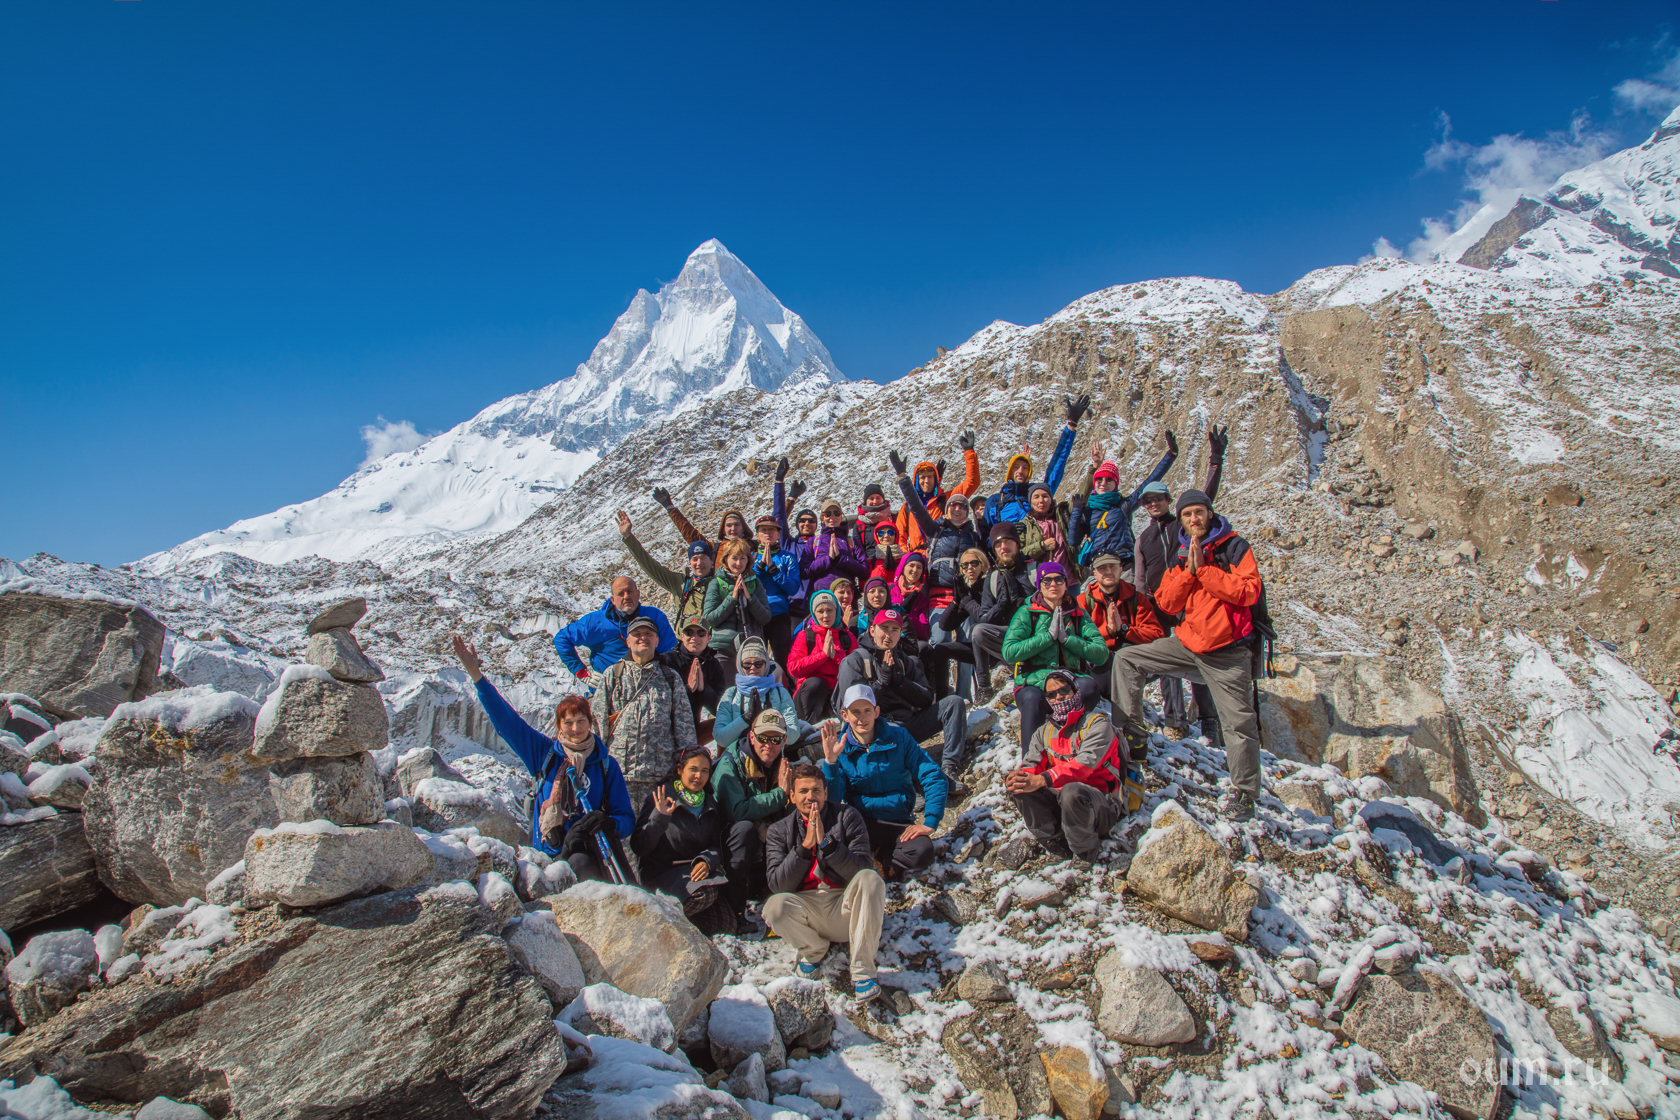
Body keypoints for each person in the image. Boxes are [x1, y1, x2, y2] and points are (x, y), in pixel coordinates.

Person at [1112, 489, 1264, 820]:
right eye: (1187, 514)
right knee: (1127, 659)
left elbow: (1249, 591)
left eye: (1198, 512)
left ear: (1209, 513)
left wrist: (1205, 571)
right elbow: (1167, 602)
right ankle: (1132, 738)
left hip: (1227, 653)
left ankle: (1245, 793)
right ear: (1181, 519)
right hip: (1187, 644)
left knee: (1238, 723)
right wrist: (1189, 571)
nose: (1194, 519)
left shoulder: (1234, 547)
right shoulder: (1183, 553)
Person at [451, 636, 634, 879]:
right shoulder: (545, 754)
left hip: (593, 855)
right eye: (568, 723)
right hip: (550, 856)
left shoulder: (605, 764)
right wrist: (477, 676)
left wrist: (608, 823)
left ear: (591, 723)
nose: (576, 728)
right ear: (559, 727)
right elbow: (508, 723)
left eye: (581, 721)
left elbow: (626, 819)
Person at [1134, 427, 1228, 742]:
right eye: (1148, 501)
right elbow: (1140, 577)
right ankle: (1175, 721)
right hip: (1160, 604)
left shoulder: (1182, 525)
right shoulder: (1144, 538)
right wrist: (1142, 606)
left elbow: (1205, 497)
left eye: (1158, 499)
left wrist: (1216, 460)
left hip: (1191, 600)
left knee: (1200, 655)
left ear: (1168, 501)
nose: (1153, 504)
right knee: (1168, 663)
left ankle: (1209, 720)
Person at [762, 761, 886, 1002]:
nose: (810, 797)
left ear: (826, 793)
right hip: (807, 911)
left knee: (871, 879)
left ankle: (863, 972)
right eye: (803, 791)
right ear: (792, 796)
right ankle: (813, 949)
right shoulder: (779, 830)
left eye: (816, 790)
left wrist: (827, 845)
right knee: (774, 907)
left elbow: (861, 869)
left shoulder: (847, 817)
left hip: (846, 907)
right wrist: (804, 848)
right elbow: (778, 885)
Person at [818, 684, 947, 881]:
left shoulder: (899, 738)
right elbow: (833, 801)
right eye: (855, 712)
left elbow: (932, 775)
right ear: (845, 715)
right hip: (860, 824)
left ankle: (880, 856)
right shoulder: (840, 748)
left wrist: (930, 821)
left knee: (922, 852)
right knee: (829, 851)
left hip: (898, 821)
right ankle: (873, 860)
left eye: (867, 711)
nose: (862, 718)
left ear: (876, 711)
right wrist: (831, 762)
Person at [833, 608, 970, 786]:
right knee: (892, 733)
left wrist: (900, 681)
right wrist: (882, 682)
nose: (888, 635)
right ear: (872, 630)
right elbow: (853, 708)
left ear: (900, 635)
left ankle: (949, 768)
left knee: (954, 703)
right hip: (878, 730)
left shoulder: (903, 661)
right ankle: (912, 781)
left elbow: (927, 698)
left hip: (908, 725)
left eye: (894, 630)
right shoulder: (855, 661)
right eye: (884, 629)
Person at [1003, 669, 1127, 864]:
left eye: (1064, 690)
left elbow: (1084, 765)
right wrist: (1021, 778)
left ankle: (1085, 851)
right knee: (1020, 788)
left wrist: (1044, 778)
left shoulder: (1096, 725)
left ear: (1075, 691)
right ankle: (1056, 843)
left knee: (1072, 791)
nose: (1058, 697)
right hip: (1063, 803)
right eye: (1051, 695)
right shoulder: (1043, 733)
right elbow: (1031, 764)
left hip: (1101, 804)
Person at [591, 614, 700, 812]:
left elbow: (684, 729)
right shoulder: (613, 675)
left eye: (648, 634)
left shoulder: (670, 678)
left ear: (657, 640)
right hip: (619, 776)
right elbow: (598, 725)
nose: (643, 638)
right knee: (620, 828)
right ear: (628, 640)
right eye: (637, 634)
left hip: (659, 778)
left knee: (656, 829)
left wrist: (685, 769)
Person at [1001, 562, 1108, 749]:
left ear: (1066, 584)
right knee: (1032, 699)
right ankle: (1031, 760)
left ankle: (1072, 747)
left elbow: (1101, 654)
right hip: (1033, 681)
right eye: (1047, 580)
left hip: (1072, 678)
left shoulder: (1078, 614)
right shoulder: (1027, 613)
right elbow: (1009, 652)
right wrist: (1047, 637)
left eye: (1059, 579)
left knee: (1088, 687)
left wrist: (1068, 640)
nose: (1053, 584)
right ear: (1040, 585)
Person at [630, 745, 735, 932]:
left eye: (704, 771)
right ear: (680, 770)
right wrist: (659, 818)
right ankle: (654, 925)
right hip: (662, 873)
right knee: (705, 894)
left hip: (694, 873)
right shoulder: (661, 797)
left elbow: (715, 844)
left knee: (726, 924)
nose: (698, 776)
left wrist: (706, 861)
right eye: (693, 769)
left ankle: (683, 927)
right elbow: (639, 846)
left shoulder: (710, 803)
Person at [713, 708, 797, 918]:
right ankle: (735, 912)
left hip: (765, 839)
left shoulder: (782, 764)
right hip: (728, 842)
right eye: (762, 738)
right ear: (751, 736)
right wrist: (780, 795)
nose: (769, 744)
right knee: (745, 829)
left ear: (784, 740)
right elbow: (736, 811)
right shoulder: (731, 763)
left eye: (775, 739)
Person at [1067, 432, 1178, 570]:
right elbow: (1073, 541)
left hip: (1125, 564)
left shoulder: (1124, 504)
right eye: (1099, 479)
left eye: (1109, 480)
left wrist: (1170, 455)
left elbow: (1150, 481)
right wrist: (1077, 511)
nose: (1103, 483)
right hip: (1099, 565)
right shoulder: (1088, 510)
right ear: (1094, 483)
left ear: (1116, 484)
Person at [984, 394, 1090, 526]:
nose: (1020, 471)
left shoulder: (1037, 496)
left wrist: (1071, 426)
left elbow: (1056, 466)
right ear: (1010, 471)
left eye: (1025, 468)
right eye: (1016, 467)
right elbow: (986, 534)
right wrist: (1007, 533)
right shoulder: (994, 502)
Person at [553, 575, 678, 683]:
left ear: (638, 594)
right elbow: (562, 638)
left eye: (630, 591)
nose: (626, 596)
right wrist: (582, 673)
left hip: (651, 686)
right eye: (620, 594)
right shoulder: (595, 622)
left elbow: (670, 651)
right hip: (609, 690)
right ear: (612, 599)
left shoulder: (655, 616)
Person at [1076, 553, 1165, 698]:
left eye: (1112, 567)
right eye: (1102, 568)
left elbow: (1156, 634)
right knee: (1100, 655)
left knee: (1127, 651)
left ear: (1121, 570)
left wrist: (1124, 630)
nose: (1108, 571)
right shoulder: (1084, 601)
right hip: (1099, 666)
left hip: (1131, 662)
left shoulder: (1137, 598)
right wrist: (1108, 632)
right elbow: (1077, 638)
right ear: (1095, 574)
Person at [618, 509, 716, 633]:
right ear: (690, 562)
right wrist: (628, 537)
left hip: (713, 642)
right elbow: (651, 567)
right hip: (685, 643)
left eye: (703, 558)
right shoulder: (680, 583)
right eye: (695, 559)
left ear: (711, 561)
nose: (699, 563)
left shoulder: (722, 584)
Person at [714, 636, 808, 753]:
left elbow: (793, 735)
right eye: (747, 664)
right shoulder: (731, 694)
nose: (753, 668)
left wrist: (770, 722)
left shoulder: (780, 693)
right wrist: (745, 719)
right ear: (740, 665)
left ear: (766, 664)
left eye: (758, 663)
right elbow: (720, 738)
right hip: (738, 758)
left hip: (771, 757)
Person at [891, 435, 981, 553]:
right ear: (916, 480)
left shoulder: (947, 500)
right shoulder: (907, 507)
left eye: (930, 477)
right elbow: (900, 537)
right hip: (917, 559)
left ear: (935, 479)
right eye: (922, 477)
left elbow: (972, 483)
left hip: (942, 555)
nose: (926, 481)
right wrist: (907, 557)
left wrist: (969, 453)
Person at [969, 523, 1033, 689]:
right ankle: (984, 688)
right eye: (998, 544)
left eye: (1008, 541)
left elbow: (1050, 607)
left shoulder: (1034, 569)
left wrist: (1020, 601)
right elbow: (984, 618)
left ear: (1017, 544)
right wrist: (1002, 605)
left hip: (1036, 635)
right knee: (978, 631)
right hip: (1009, 637)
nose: (1003, 547)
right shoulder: (993, 578)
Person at [787, 589, 857, 722]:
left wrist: (836, 656)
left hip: (837, 694)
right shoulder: (805, 636)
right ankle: (808, 728)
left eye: (829, 610)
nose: (825, 616)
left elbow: (856, 671)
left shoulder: (847, 637)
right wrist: (823, 656)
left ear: (837, 612)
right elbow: (793, 668)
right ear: (814, 613)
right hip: (810, 698)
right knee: (816, 684)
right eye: (820, 611)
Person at [932, 547, 991, 701]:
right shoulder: (968, 591)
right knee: (940, 649)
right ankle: (942, 699)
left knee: (975, 633)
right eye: (965, 565)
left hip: (993, 649)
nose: (970, 568)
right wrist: (956, 600)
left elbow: (984, 617)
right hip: (977, 649)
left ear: (983, 564)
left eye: (974, 563)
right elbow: (944, 625)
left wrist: (965, 598)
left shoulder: (989, 585)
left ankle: (970, 694)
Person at [753, 515, 804, 668]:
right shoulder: (750, 558)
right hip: (755, 615)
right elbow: (748, 585)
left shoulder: (788, 558)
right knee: (756, 661)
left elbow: (793, 589)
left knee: (783, 660)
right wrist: (760, 567)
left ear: (778, 534)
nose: (768, 533)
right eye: (763, 530)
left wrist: (774, 570)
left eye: (772, 529)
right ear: (757, 535)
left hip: (779, 615)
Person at [703, 539, 772, 652]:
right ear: (726, 559)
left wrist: (750, 598)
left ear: (748, 560)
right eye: (734, 558)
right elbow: (710, 619)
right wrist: (732, 598)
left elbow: (765, 618)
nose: (739, 563)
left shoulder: (755, 582)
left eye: (742, 558)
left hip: (750, 646)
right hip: (721, 647)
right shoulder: (716, 583)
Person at [660, 618, 728, 728]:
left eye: (701, 633)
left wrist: (703, 690)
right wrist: (688, 689)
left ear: (708, 637)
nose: (694, 637)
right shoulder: (667, 661)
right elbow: (661, 705)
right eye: (689, 633)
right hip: (665, 728)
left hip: (693, 729)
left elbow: (720, 709)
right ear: (682, 637)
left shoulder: (713, 664)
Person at [803, 498, 869, 593]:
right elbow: (804, 571)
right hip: (822, 597)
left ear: (841, 516)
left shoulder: (852, 541)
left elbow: (865, 571)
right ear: (822, 518)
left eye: (836, 513)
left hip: (846, 597)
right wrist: (828, 560)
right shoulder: (813, 542)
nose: (832, 517)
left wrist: (841, 559)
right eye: (827, 514)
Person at [1016, 483, 1072, 572]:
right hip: (1039, 577)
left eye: (1045, 496)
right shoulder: (1024, 525)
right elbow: (1018, 555)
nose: (1041, 500)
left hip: (1069, 577)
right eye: (1036, 497)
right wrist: (1042, 546)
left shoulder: (1063, 516)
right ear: (1030, 502)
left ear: (1051, 499)